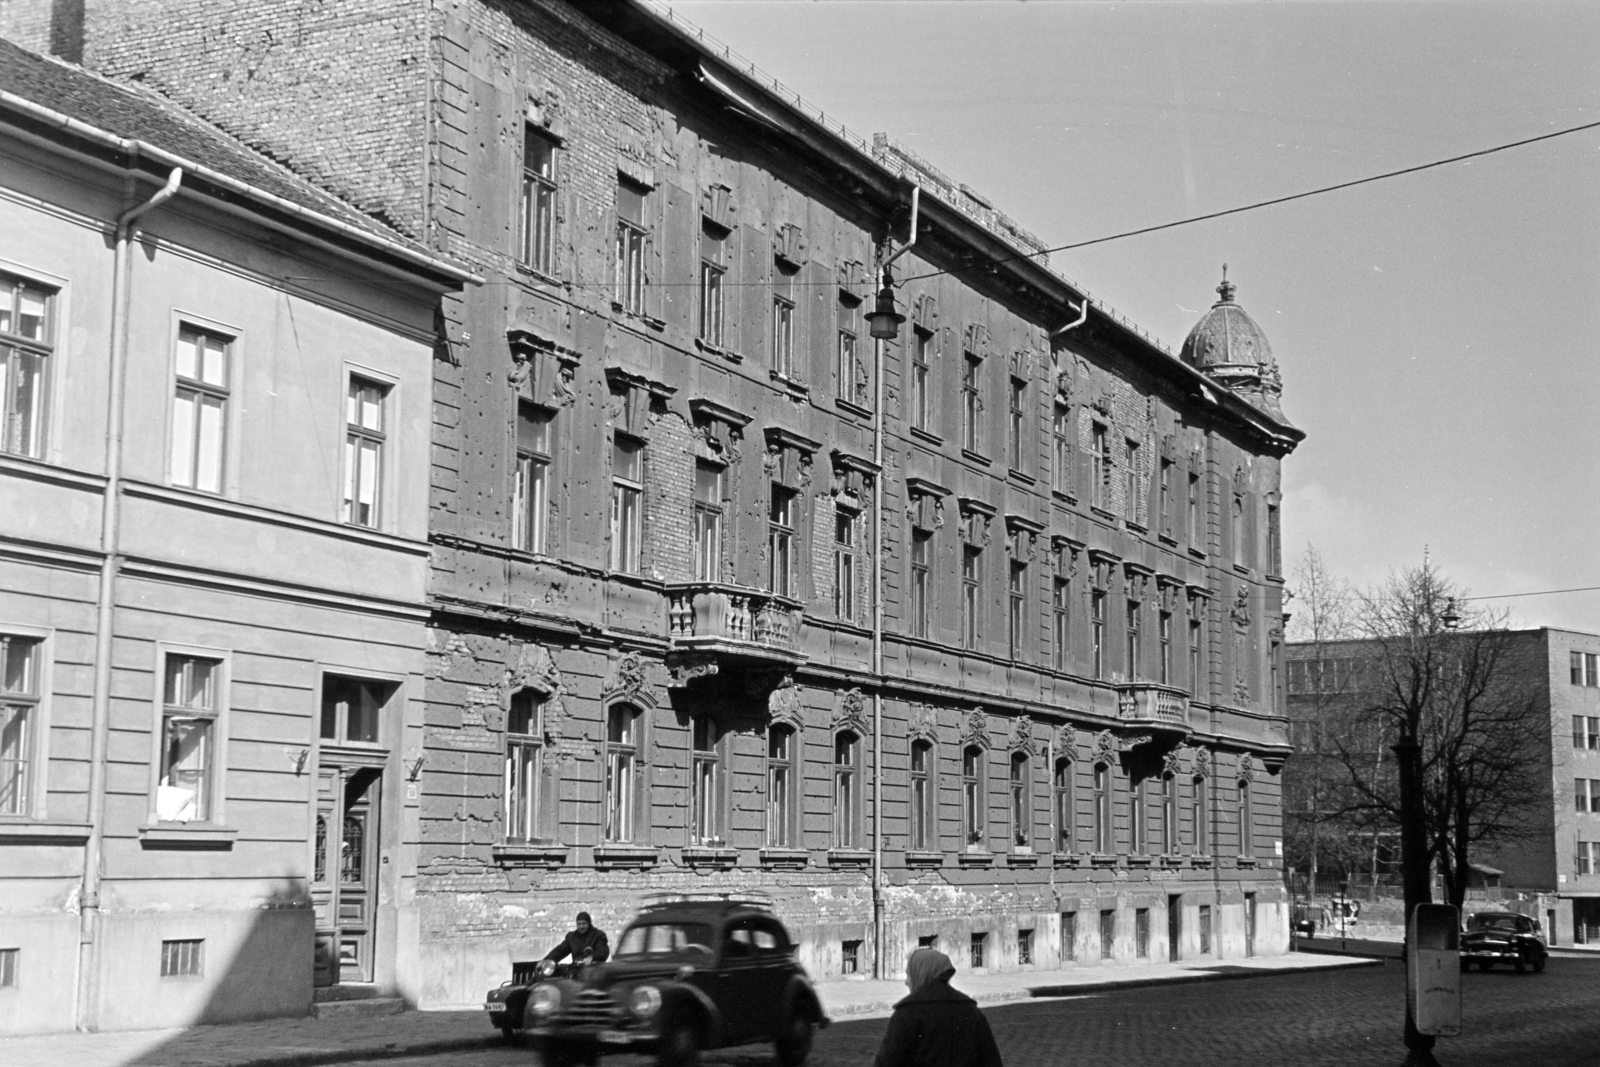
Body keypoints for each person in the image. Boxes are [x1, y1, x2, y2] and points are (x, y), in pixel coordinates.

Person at [873, 948, 1004, 1067]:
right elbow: (992, 1062)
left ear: (922, 974)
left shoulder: (907, 1014)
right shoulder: (971, 1011)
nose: (906, 982)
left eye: (909, 974)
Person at [543, 911, 610, 966]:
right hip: (576, 969)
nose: (581, 927)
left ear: (589, 923)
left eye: (584, 924)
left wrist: (592, 958)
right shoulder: (572, 937)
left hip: (593, 971)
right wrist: (546, 961)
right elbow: (560, 951)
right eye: (579, 924)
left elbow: (603, 952)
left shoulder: (598, 935)